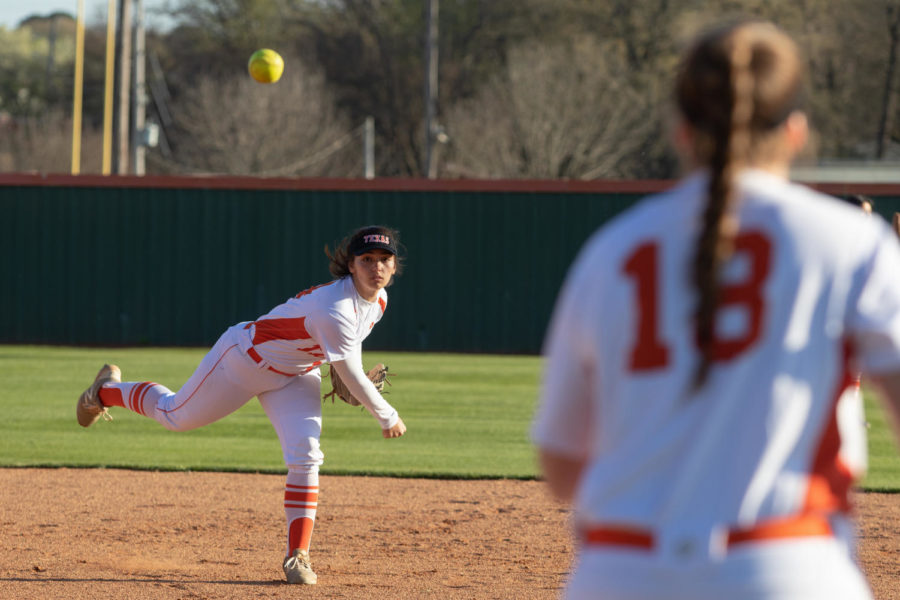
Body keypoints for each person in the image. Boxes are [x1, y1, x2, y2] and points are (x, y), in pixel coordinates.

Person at [532, 20, 900, 600]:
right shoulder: (851, 242)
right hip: (786, 566)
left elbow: (560, 462)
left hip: (621, 573)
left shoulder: (611, 252)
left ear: (681, 132)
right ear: (797, 131)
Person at [76, 224, 408, 585]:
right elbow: (352, 373)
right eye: (367, 259)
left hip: (296, 376)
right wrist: (386, 414)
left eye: (384, 260)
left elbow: (348, 354)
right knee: (174, 415)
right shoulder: (335, 307)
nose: (376, 267)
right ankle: (104, 391)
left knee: (306, 453)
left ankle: (298, 556)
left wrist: (344, 369)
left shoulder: (378, 302)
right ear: (351, 265)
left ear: (394, 267)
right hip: (243, 361)